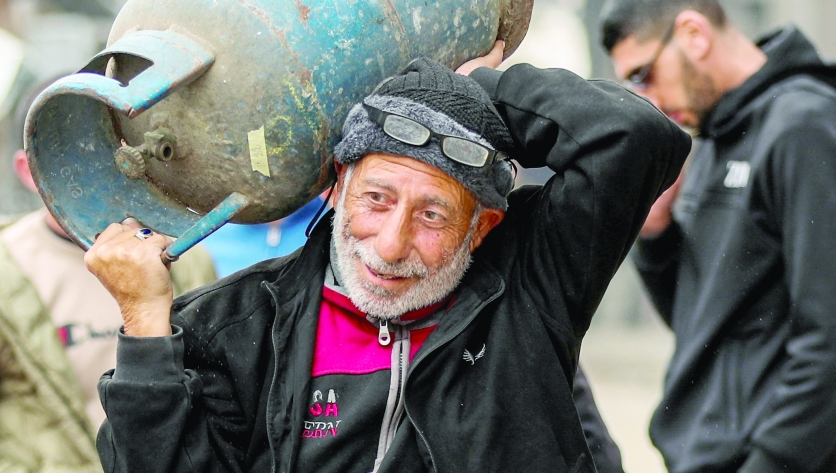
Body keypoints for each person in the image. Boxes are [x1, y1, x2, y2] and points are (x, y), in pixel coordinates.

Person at [86, 44, 689, 472]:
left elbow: (637, 138)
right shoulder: (237, 326)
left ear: (483, 228)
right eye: (376, 199)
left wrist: (478, 88)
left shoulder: (526, 287)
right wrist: (143, 327)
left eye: (433, 215)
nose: (392, 245)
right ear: (337, 187)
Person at [0, 101, 218, 472]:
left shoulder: (185, 258)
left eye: (114, 145)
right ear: (28, 169)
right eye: (74, 150)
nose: (104, 166)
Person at [600, 0, 836, 473]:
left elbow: (829, 337)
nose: (649, 100)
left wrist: (773, 462)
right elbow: (705, 322)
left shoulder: (803, 126)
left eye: (645, 75)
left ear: (693, 33)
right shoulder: (709, 141)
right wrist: (656, 236)